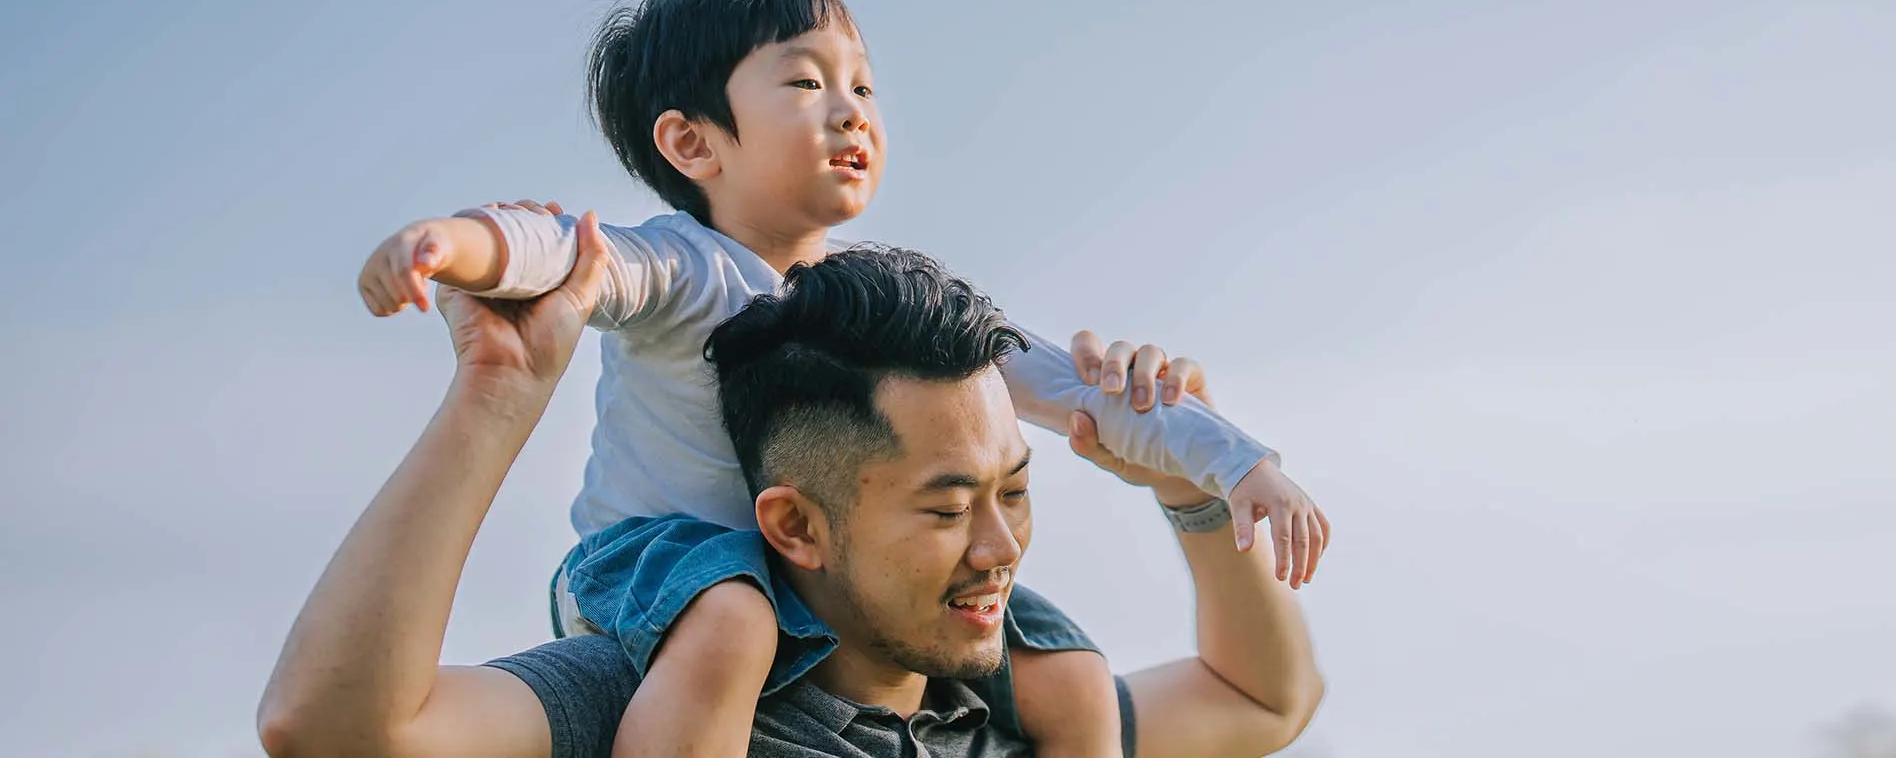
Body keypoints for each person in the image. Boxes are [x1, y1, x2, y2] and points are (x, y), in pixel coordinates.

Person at [347, 0, 1329, 755]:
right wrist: (452, 245)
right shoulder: (678, 268)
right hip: (653, 567)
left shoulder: (890, 316)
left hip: (823, 592)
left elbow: (1074, 384)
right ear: (691, 142)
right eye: (806, 83)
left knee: (1067, 672)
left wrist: (1230, 465)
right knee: (732, 623)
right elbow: (558, 250)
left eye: (862, 85)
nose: (852, 109)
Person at [259, 236, 1324, 757]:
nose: (1000, 546)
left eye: (1015, 490)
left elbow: (1264, 699)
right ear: (796, 525)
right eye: (948, 507)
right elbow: (330, 727)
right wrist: (491, 402)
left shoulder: (1017, 716)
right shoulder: (650, 696)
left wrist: (1187, 486)